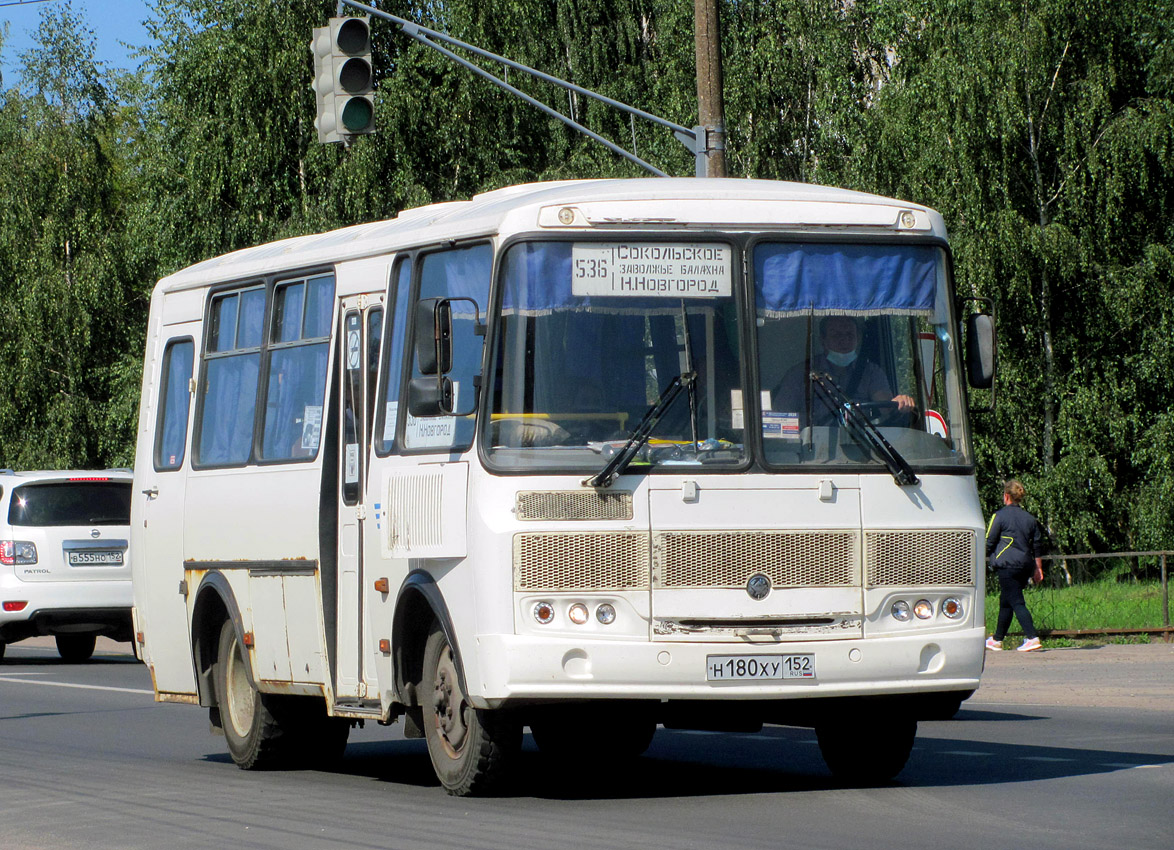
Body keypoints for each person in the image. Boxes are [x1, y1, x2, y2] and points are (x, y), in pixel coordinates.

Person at [772, 315, 915, 425]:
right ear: (823, 340)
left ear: (858, 338)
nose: (844, 341)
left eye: (849, 335)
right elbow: (780, 417)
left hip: (863, 448)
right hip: (812, 454)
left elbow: (886, 405)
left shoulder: (871, 372)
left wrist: (900, 403)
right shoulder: (800, 375)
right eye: (836, 335)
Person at [985, 479, 1045, 652]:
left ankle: (1032, 637)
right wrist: (1038, 568)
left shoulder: (999, 516)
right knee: (1006, 601)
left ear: (1006, 496)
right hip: (1025, 565)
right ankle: (997, 639)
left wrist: (985, 557)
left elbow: (989, 541)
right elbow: (1037, 546)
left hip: (1006, 565)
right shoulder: (1030, 519)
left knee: (1017, 601)